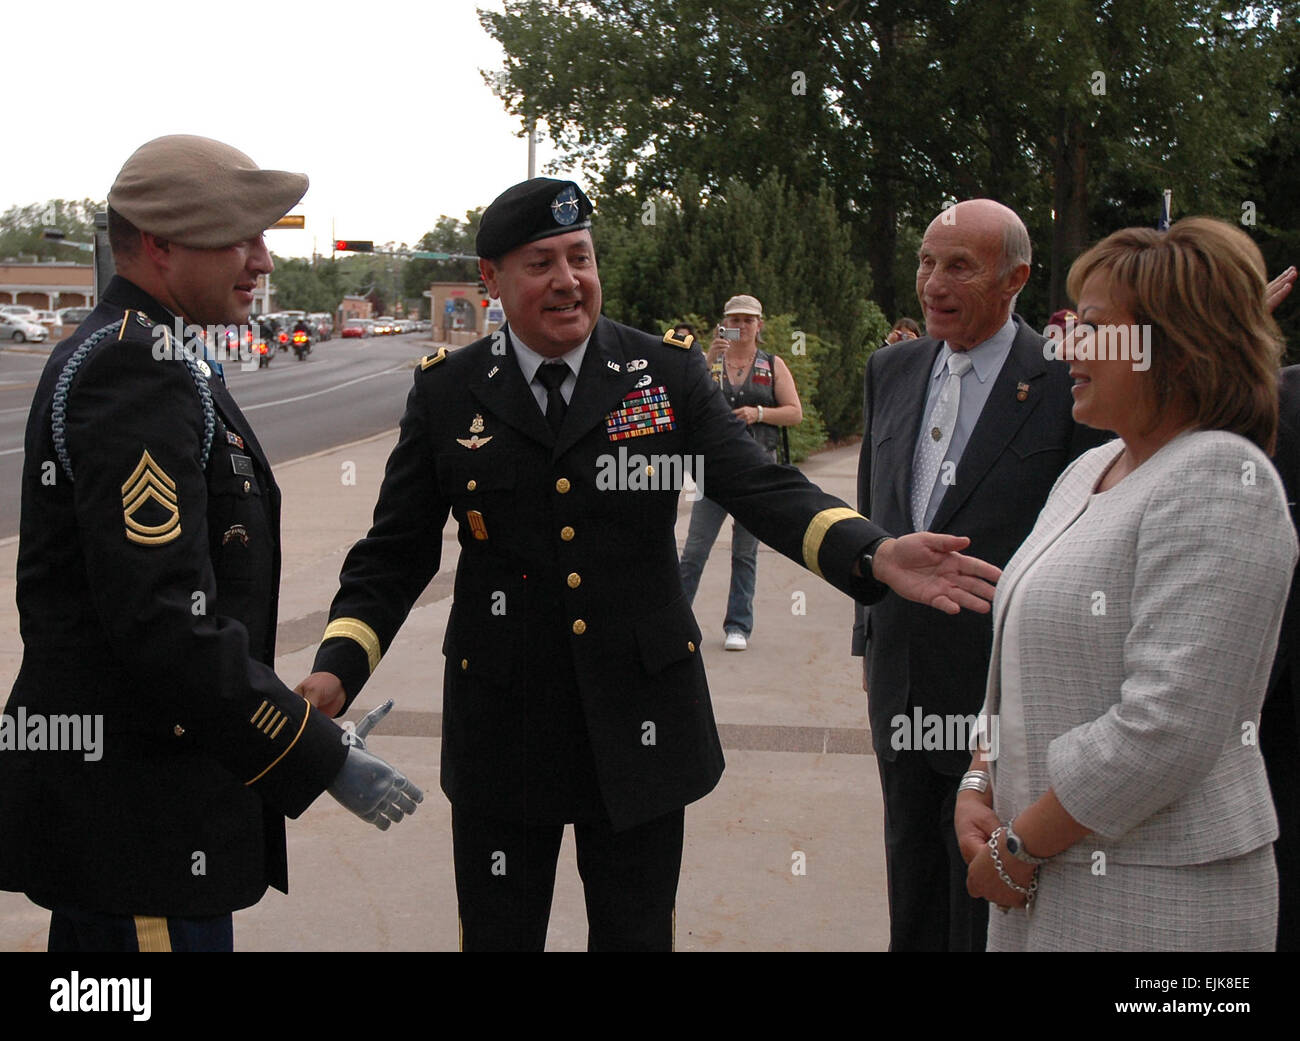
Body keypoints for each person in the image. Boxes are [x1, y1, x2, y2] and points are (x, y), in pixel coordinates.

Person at [295, 176, 1001, 952]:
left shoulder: (661, 374)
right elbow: (394, 551)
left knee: (636, 936)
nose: (568, 280)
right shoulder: (448, 391)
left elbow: (757, 484)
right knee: (498, 935)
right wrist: (337, 665)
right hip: (505, 728)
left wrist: (872, 551)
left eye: (580, 257)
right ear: (492, 280)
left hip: (641, 725)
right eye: (542, 263)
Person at [0, 135, 420, 953]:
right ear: (159, 243)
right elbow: (162, 624)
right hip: (141, 826)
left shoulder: (149, 349)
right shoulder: (135, 363)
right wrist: (314, 752)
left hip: (140, 820)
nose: (263, 260)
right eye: (241, 237)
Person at [958, 217, 1296, 951]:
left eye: (1094, 328)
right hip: (1043, 874)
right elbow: (1017, 665)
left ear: (1177, 345)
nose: (1066, 346)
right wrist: (979, 785)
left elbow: (1165, 728)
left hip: (1157, 900)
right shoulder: (1090, 469)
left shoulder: (1220, 480)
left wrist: (1019, 848)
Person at [852, 198, 1108, 951]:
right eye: (927, 261)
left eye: (959, 265)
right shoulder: (890, 368)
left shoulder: (1065, 382)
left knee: (987, 908)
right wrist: (869, 640)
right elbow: (876, 512)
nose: (933, 282)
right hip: (901, 688)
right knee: (914, 899)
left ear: (1015, 278)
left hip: (1005, 698)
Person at [677, 295, 802, 651]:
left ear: (759, 325)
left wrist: (758, 413)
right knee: (695, 549)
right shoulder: (706, 363)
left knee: (745, 552)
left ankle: (738, 625)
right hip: (712, 471)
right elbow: (684, 400)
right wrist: (710, 358)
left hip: (757, 472)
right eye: (735, 319)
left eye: (748, 320)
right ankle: (676, 618)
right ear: (724, 323)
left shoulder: (772, 364)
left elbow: (794, 412)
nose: (742, 326)